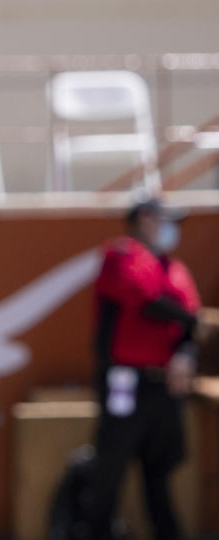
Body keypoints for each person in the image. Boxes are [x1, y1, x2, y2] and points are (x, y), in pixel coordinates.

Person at [88, 198, 200, 540]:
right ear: (145, 218)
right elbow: (148, 301)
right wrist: (192, 319)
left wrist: (185, 352)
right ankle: (95, 532)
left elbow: (189, 321)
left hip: (165, 385)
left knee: (161, 469)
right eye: (166, 220)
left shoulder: (174, 267)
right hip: (125, 381)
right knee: (111, 465)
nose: (172, 229)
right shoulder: (121, 254)